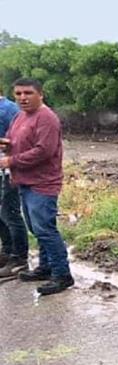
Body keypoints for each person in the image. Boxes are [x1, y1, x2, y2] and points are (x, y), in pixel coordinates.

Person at [0, 78, 74, 295]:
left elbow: (44, 150)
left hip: (43, 183)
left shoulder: (46, 118)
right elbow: (15, 140)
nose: (23, 98)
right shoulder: (21, 116)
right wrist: (5, 144)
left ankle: (62, 275)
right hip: (24, 181)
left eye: (28, 93)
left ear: (40, 94)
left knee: (46, 229)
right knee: (36, 229)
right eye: (19, 94)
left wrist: (10, 161)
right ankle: (45, 267)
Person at [0, 92, 29, 278]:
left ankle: (19, 259)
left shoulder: (6, 111)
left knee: (9, 213)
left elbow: (18, 142)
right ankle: (8, 252)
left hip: (9, 170)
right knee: (2, 212)